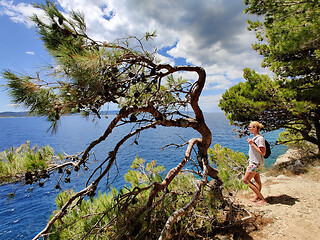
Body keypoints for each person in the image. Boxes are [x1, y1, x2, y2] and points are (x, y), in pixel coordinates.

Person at [243, 121, 268, 206]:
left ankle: (262, 199)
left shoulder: (260, 139)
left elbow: (263, 152)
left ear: (255, 128)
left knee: (246, 180)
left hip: (255, 163)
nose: (249, 129)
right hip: (255, 162)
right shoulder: (255, 138)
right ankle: (257, 197)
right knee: (257, 179)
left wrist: (252, 144)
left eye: (250, 127)